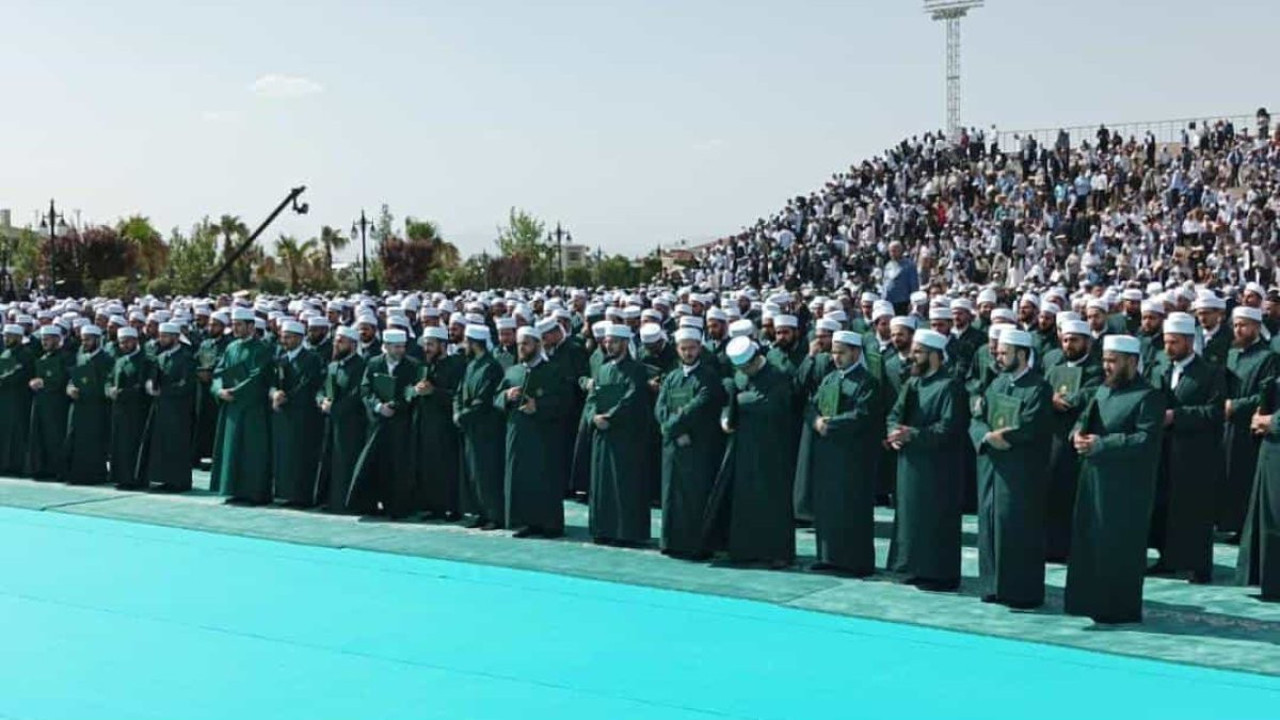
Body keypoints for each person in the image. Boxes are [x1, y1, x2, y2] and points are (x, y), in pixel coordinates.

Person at [1065, 335, 1166, 624]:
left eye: (1113, 361)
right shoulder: (1102, 390)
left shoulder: (1149, 396)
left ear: (1132, 362)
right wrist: (1077, 436)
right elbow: (1082, 419)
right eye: (1105, 360)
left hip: (1126, 488)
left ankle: (1117, 610)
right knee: (1090, 542)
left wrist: (1103, 444)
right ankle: (1088, 603)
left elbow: (1145, 439)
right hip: (1093, 480)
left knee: (1118, 546)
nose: (1106, 366)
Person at [969, 328, 1053, 608]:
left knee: (1016, 529)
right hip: (992, 468)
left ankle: (1019, 591)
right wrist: (985, 436)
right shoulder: (996, 384)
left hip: (1020, 473)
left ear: (1021, 353)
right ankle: (992, 585)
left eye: (1005, 352)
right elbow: (978, 417)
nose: (999, 357)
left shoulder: (1039, 387)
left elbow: (1031, 426)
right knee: (990, 525)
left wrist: (1004, 437)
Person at [886, 328, 968, 592]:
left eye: (918, 352)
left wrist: (914, 435)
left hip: (938, 468)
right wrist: (894, 434)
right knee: (912, 518)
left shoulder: (950, 386)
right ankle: (915, 568)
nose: (913, 357)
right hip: (910, 464)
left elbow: (950, 428)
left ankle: (939, 575)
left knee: (935, 519)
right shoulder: (912, 383)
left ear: (934, 355)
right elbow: (894, 415)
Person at [1145, 313, 1224, 584]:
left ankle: (1196, 564)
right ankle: (1167, 559)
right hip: (1163, 450)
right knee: (1165, 507)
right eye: (1166, 342)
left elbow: (1214, 412)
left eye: (1174, 343)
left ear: (1190, 342)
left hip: (1194, 453)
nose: (1168, 348)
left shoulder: (1210, 372)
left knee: (1193, 509)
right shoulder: (1159, 369)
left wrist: (1176, 416)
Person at [799, 330, 883, 576]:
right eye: (834, 352)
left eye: (841, 353)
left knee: (851, 507)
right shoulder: (829, 379)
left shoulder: (867, 382)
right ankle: (828, 557)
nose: (836, 357)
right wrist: (816, 422)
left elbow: (862, 415)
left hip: (853, 456)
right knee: (827, 508)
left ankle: (854, 562)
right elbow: (811, 406)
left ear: (856, 353)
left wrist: (830, 425)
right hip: (827, 454)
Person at [716, 335, 796, 567]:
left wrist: (736, 401)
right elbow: (729, 403)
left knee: (772, 500)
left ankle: (776, 553)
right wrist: (726, 416)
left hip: (772, 448)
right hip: (744, 448)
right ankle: (745, 550)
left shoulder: (777, 376)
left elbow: (768, 404)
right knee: (745, 499)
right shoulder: (741, 376)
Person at [654, 327, 724, 559]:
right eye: (684, 349)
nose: (688, 352)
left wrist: (672, 427)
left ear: (699, 348)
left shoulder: (708, 376)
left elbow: (699, 406)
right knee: (671, 495)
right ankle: (671, 543)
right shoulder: (672, 376)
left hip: (697, 445)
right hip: (674, 446)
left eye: (692, 348)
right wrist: (670, 429)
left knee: (694, 497)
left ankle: (695, 546)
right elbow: (660, 406)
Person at [1040, 319, 1103, 561]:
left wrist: (1067, 400)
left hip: (1078, 437)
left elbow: (1090, 394)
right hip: (1053, 438)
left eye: (1074, 340)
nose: (1069, 345)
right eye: (1065, 340)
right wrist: (1049, 399)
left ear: (1086, 342)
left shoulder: (1095, 370)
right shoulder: (1055, 367)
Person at [497, 326, 566, 538]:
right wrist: (507, 396)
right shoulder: (513, 372)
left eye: (526, 343)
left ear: (537, 344)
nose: (522, 348)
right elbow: (496, 398)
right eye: (519, 344)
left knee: (544, 477)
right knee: (521, 477)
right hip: (518, 433)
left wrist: (539, 406)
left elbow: (564, 402)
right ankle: (526, 522)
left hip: (544, 435)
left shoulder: (553, 370)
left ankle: (549, 524)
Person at [587, 324, 652, 546]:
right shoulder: (603, 369)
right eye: (607, 341)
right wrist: (594, 417)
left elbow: (631, 399)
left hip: (626, 437)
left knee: (625, 484)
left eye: (613, 341)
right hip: (602, 436)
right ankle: (603, 529)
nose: (609, 345)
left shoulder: (636, 370)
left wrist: (610, 417)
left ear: (625, 343)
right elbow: (592, 398)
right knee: (602, 483)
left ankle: (626, 533)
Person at [349, 328, 420, 518]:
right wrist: (378, 406)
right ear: (386, 346)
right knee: (374, 463)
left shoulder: (412, 365)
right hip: (377, 422)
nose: (400, 351)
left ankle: (397, 507)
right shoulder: (373, 363)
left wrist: (395, 405)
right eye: (396, 347)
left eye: (402, 347)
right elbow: (365, 389)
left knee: (397, 466)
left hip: (400, 424)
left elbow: (412, 393)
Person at [1221, 307, 1279, 539]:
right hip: (1227, 426)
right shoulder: (1232, 354)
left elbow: (1264, 395)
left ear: (1256, 327)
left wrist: (1235, 406)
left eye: (1243, 325)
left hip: (1249, 426)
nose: (1238, 329)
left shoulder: (1268, 357)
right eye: (1235, 325)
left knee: (1244, 476)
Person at [210, 308, 274, 505]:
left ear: (251, 326)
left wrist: (234, 392)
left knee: (251, 451)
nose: (235, 328)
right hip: (232, 408)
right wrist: (219, 390)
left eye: (239, 325)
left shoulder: (261, 349)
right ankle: (232, 490)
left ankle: (253, 493)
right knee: (232, 450)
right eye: (234, 324)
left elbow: (257, 377)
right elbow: (218, 372)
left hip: (252, 408)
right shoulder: (231, 348)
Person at [454, 323, 506, 529]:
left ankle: (494, 515)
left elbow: (484, 400)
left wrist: (463, 415)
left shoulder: (491, 367)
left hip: (485, 429)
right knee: (473, 473)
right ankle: (480, 512)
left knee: (487, 473)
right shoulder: (471, 365)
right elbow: (459, 393)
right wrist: (457, 412)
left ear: (474, 343)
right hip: (470, 428)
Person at [412, 326, 465, 520]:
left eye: (431, 344)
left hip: (446, 425)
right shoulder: (423, 366)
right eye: (425, 344)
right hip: (425, 424)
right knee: (429, 466)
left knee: (448, 467)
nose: (427, 348)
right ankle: (433, 506)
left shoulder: (456, 365)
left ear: (443, 345)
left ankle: (452, 507)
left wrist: (434, 392)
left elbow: (457, 395)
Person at [269, 320, 324, 506]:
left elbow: (307, 384)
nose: (284, 341)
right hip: (282, 414)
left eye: (289, 337)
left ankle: (301, 497)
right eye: (283, 337)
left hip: (303, 415)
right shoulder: (280, 358)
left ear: (300, 338)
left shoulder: (311, 359)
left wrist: (286, 397)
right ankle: (284, 493)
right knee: (283, 455)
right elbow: (270, 382)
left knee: (301, 456)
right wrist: (274, 393)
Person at [137, 322, 196, 492]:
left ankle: (178, 482)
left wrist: (164, 391)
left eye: (165, 336)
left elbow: (186, 384)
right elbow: (153, 377)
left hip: (178, 410)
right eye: (160, 336)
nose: (161, 339)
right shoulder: (161, 357)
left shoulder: (186, 357)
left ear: (176, 337)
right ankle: (163, 479)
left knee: (176, 444)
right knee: (162, 444)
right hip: (161, 407)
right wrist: (150, 384)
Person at [316, 326, 368, 513]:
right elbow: (322, 390)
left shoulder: (361, 366)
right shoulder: (332, 366)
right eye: (336, 341)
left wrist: (336, 408)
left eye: (341, 341)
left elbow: (357, 394)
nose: (336, 344)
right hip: (331, 422)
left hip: (351, 424)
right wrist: (322, 401)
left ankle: (347, 503)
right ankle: (331, 501)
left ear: (353, 345)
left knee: (346, 463)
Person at [62, 325, 113, 485]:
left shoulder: (106, 359)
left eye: (88, 340)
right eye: (83, 340)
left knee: (93, 441)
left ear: (97, 340)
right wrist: (70, 389)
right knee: (75, 438)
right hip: (78, 405)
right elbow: (73, 378)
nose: (85, 343)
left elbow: (107, 382)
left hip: (95, 407)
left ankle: (94, 476)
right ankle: (75, 474)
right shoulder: (80, 357)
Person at [106, 326, 152, 489]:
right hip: (119, 409)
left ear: (135, 341)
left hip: (136, 411)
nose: (124, 345)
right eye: (121, 343)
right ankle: (120, 477)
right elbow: (109, 379)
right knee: (119, 445)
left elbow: (142, 387)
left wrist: (122, 393)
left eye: (127, 342)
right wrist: (109, 390)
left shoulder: (145, 361)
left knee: (132, 445)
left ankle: (134, 479)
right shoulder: (119, 360)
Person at [25, 326, 72, 479]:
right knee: (40, 436)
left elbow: (64, 379)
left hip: (57, 404)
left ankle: (57, 470)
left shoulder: (66, 357)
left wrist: (45, 382)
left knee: (55, 437)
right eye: (43, 339)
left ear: (57, 339)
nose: (44, 342)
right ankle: (41, 468)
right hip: (41, 402)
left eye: (48, 339)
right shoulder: (42, 358)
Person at [192, 312, 231, 470]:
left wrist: (210, 372)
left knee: (215, 423)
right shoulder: (205, 344)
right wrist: (198, 371)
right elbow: (196, 359)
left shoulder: (228, 344)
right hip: (202, 388)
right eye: (211, 324)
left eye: (215, 325)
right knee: (200, 422)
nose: (211, 327)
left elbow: (224, 364)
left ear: (223, 326)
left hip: (218, 388)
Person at [0, 324, 33, 476]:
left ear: (19, 338)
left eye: (10, 336)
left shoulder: (26, 354)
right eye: (5, 336)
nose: (6, 339)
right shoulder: (5, 353)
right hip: (4, 399)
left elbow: (17, 373)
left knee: (16, 433)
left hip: (19, 399)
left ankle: (15, 465)